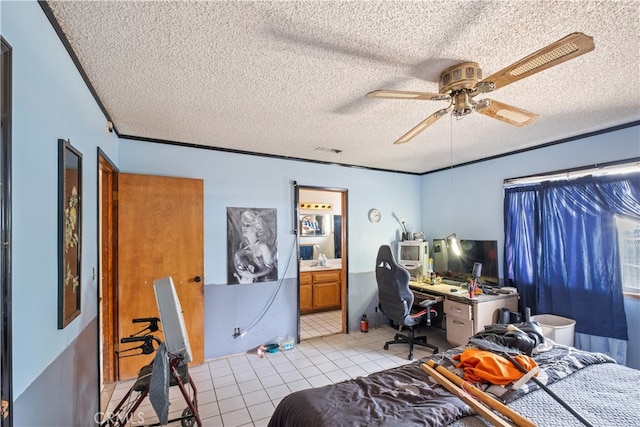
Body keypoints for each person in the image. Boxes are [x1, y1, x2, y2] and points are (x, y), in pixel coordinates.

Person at [233, 210, 277, 283]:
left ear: (256, 227)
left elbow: (270, 269)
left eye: (247, 225)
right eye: (242, 225)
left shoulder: (263, 246)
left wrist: (253, 275)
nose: (243, 228)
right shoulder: (242, 249)